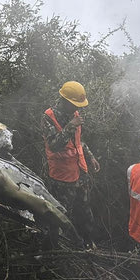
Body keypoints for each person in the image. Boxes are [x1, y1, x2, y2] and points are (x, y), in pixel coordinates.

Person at [41, 81, 100, 248]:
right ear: (65, 101)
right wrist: (69, 127)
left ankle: (87, 243)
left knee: (84, 211)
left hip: (80, 172)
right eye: (75, 104)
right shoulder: (48, 117)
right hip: (61, 177)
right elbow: (54, 144)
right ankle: (54, 248)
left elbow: (78, 141)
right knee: (59, 214)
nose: (78, 108)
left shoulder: (74, 114)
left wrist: (90, 157)